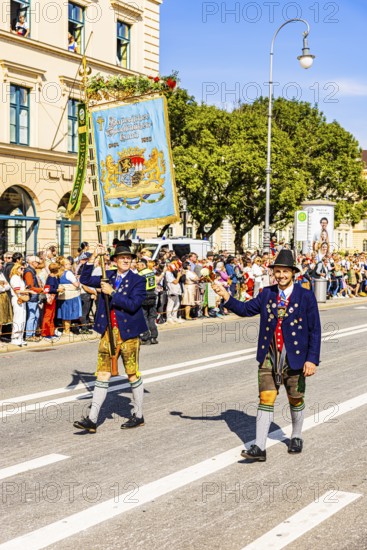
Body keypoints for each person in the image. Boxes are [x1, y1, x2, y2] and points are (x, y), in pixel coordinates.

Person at [212, 249, 321, 462]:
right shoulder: (267, 294)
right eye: (277, 271)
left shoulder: (305, 295)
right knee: (266, 397)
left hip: (295, 357)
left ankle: (296, 435)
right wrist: (226, 296)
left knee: (295, 398)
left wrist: (312, 359)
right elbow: (244, 310)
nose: (280, 275)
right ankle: (259, 447)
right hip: (269, 354)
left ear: (293, 273)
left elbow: (314, 330)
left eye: (284, 272)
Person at [73, 243, 147, 433]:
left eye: (128, 258)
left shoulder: (138, 280)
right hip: (108, 331)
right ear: (114, 260)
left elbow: (134, 304)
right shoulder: (109, 275)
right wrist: (93, 257)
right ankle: (92, 420)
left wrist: (112, 292)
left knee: (132, 373)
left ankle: (138, 415)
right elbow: (86, 278)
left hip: (128, 333)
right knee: (103, 373)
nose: (125, 260)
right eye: (122, 257)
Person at [56, 257, 82, 335]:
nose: (69, 265)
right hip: (70, 295)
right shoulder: (68, 273)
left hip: (62, 295)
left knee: (64, 313)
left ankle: (65, 329)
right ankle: (67, 331)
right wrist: (78, 280)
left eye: (69, 263)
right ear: (63, 265)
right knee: (68, 314)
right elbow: (76, 284)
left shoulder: (59, 273)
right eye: (67, 264)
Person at [137, 258, 159, 345]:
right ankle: (154, 337)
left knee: (144, 317)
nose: (137, 266)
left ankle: (145, 337)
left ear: (143, 265)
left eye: (138, 265)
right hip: (152, 294)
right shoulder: (151, 272)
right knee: (152, 318)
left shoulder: (140, 274)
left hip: (144, 295)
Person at [24, 256, 43, 341]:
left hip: (35, 296)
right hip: (32, 297)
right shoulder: (28, 272)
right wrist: (41, 289)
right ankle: (29, 335)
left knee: (36, 316)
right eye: (37, 262)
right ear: (32, 262)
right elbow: (30, 286)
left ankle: (33, 333)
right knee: (31, 316)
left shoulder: (32, 271)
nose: (38, 264)